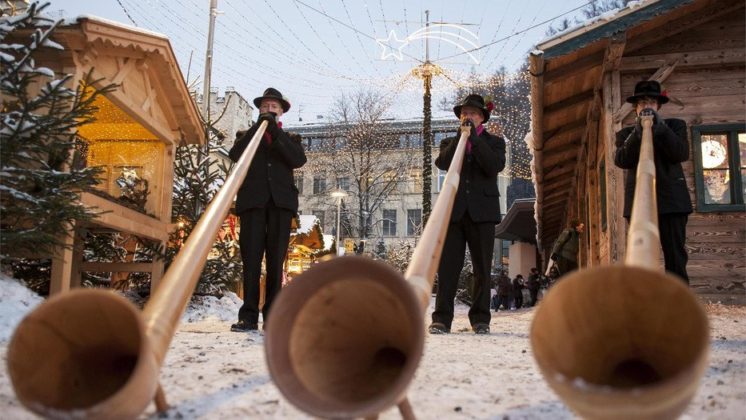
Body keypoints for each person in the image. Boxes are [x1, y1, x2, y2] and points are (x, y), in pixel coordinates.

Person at [228, 88, 307, 331]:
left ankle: (273, 315)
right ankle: (248, 315)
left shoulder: (291, 139)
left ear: (281, 111)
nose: (268, 110)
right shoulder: (246, 134)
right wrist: (258, 129)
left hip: (280, 206)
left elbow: (297, 160)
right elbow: (235, 155)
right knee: (250, 260)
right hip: (253, 204)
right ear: (259, 110)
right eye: (264, 107)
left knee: (275, 262)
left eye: (273, 107)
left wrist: (273, 131)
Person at [429, 94, 506, 335]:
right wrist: (461, 140)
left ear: (482, 117)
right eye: (464, 113)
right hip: (454, 213)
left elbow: (493, 166)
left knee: (482, 268)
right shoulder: (449, 143)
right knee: (448, 268)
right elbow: (442, 163)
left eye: (472, 113)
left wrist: (474, 138)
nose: (467, 117)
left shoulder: (495, 142)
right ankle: (442, 319)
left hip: (483, 213)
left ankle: (481, 319)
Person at [614, 80, 692, 284]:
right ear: (635, 108)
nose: (646, 107)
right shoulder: (625, 134)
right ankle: (644, 305)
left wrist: (661, 129)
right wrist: (638, 133)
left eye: (650, 102)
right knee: (641, 259)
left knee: (675, 257)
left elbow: (681, 153)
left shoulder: (675, 126)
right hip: (640, 202)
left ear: (658, 105)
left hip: (672, 202)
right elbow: (622, 160)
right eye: (641, 103)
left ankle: (676, 303)